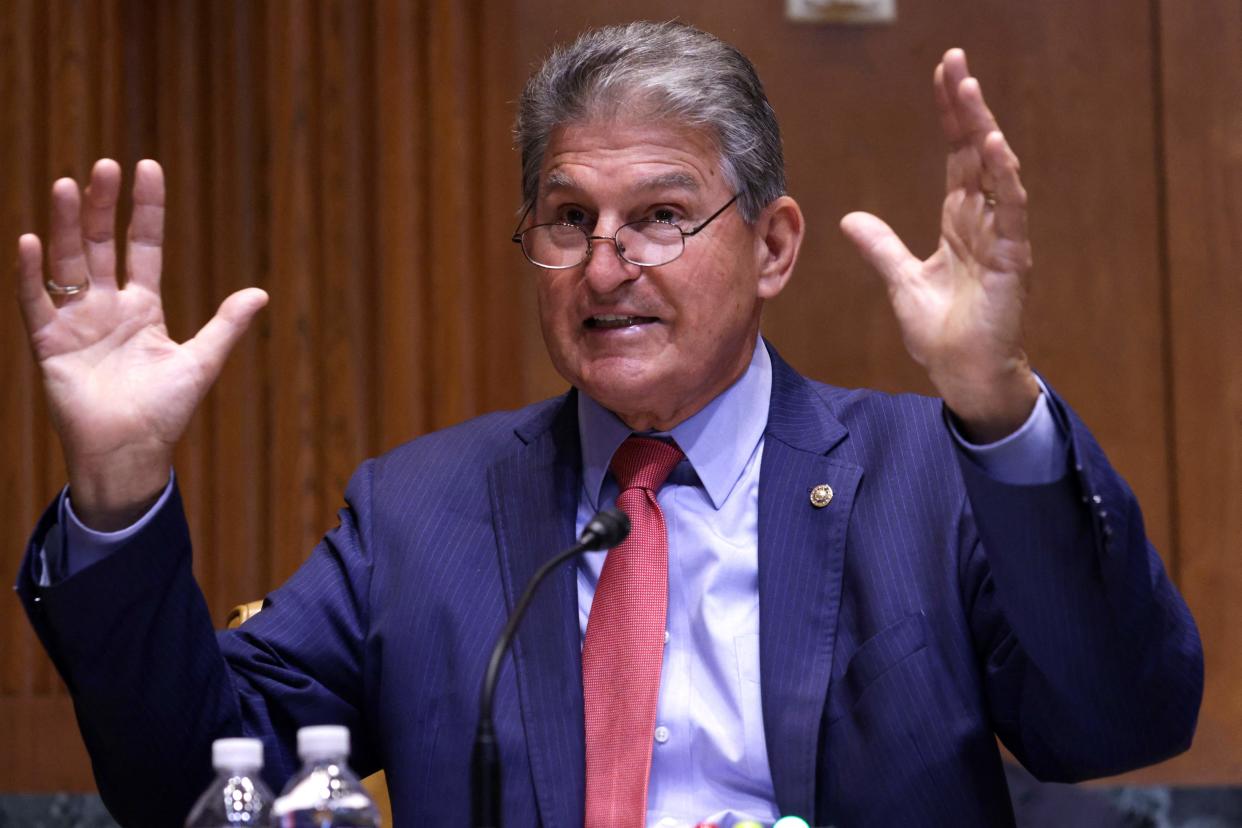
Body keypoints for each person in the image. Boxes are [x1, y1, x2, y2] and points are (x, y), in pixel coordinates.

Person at [14, 21, 1201, 828]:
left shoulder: (923, 478)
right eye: (568, 216)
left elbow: (1119, 718)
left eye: (663, 214)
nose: (604, 264)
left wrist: (996, 408)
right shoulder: (422, 512)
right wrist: (117, 487)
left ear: (773, 245)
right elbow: (194, 779)